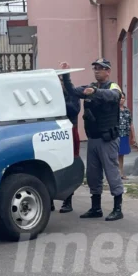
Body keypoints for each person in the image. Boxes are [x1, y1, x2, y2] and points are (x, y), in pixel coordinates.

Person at [72, 58, 125, 221]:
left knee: (112, 173)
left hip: (107, 138)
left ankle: (118, 208)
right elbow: (73, 92)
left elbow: (113, 96)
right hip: (93, 138)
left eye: (101, 68)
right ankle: (96, 208)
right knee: (93, 175)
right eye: (95, 68)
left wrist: (94, 92)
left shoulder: (113, 87)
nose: (97, 71)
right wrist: (66, 77)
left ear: (108, 71)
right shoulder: (91, 86)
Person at [57, 62, 82, 214]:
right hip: (53, 133)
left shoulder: (72, 94)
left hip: (69, 132)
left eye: (61, 80)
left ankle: (68, 199)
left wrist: (59, 102)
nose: (59, 84)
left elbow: (74, 109)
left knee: (69, 165)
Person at [117, 91, 137, 180]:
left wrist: (134, 136)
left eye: (123, 98)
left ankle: (121, 173)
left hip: (124, 135)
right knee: (114, 155)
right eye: (120, 98)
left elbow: (130, 123)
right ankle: (115, 174)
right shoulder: (113, 110)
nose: (121, 100)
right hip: (115, 135)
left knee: (121, 155)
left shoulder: (127, 110)